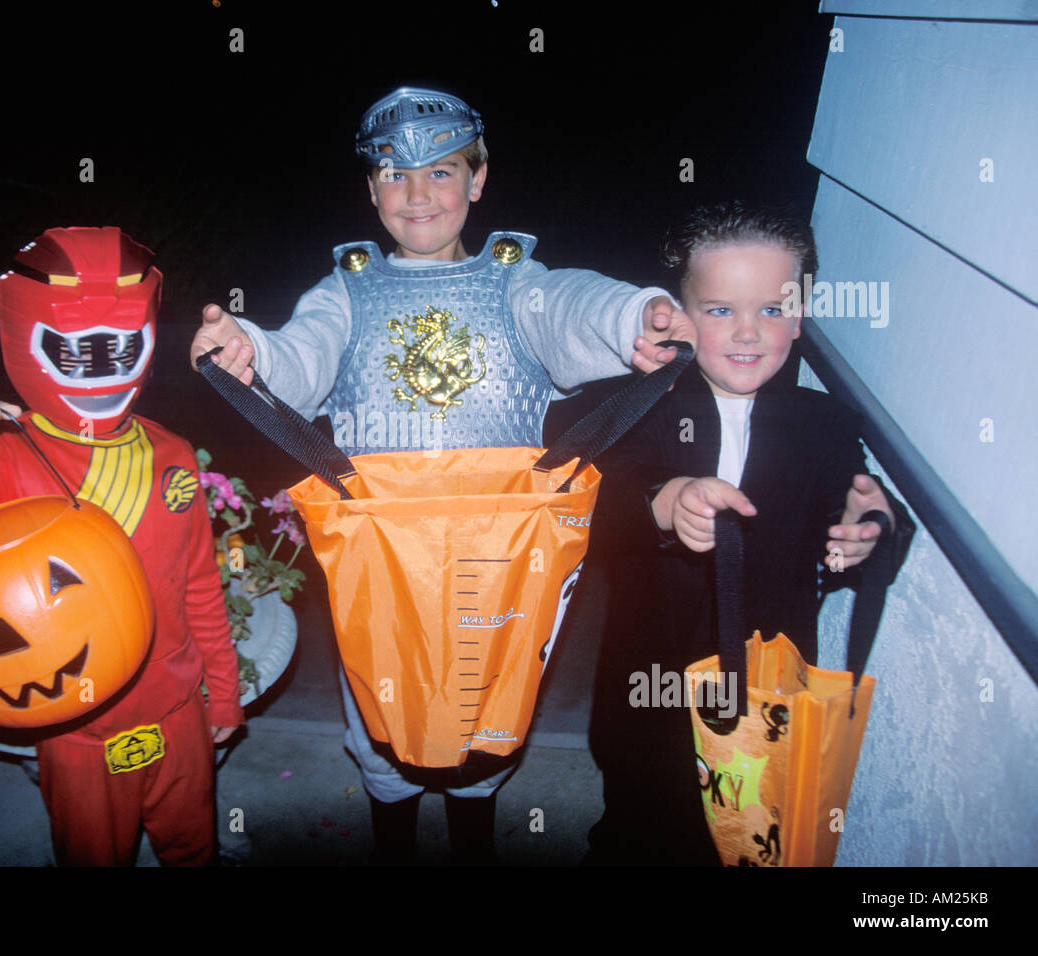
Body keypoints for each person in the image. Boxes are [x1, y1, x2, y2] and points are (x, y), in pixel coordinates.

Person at [189, 86, 694, 864]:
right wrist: (251, 353)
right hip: (384, 565)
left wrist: (634, 315)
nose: (417, 193)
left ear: (479, 178)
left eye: (442, 171)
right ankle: (392, 839)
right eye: (393, 174)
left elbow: (568, 307)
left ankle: (473, 838)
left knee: (487, 721)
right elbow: (300, 354)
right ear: (370, 189)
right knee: (380, 726)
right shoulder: (347, 292)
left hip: (502, 563)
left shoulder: (514, 281)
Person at [0, 226, 243, 866]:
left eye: (120, 347)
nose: (102, 365)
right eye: (78, 350)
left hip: (177, 714)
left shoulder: (170, 454)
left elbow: (198, 582)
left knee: (194, 846)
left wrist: (222, 691)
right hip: (75, 732)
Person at [583, 201, 914, 865]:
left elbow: (856, 505)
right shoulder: (639, 406)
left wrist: (868, 527)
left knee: (748, 829)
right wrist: (666, 500)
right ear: (679, 313)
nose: (748, 331)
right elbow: (593, 509)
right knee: (644, 822)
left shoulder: (824, 423)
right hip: (653, 679)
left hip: (768, 679)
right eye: (719, 309)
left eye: (772, 308)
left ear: (800, 312)